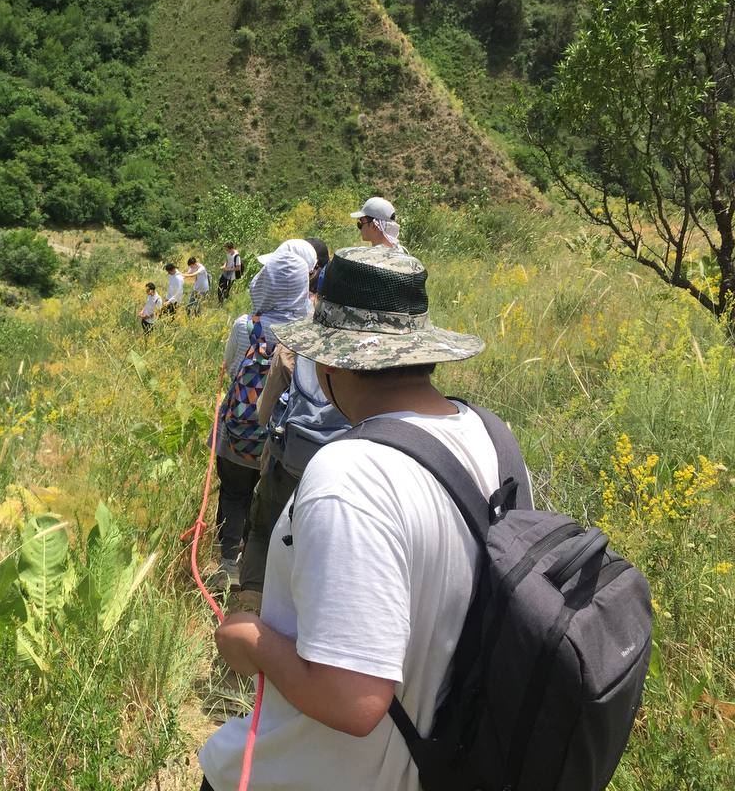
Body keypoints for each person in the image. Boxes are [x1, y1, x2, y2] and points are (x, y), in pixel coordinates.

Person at [199, 246, 524, 791]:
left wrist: (250, 640)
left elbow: (352, 699)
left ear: (329, 363)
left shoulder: (349, 474)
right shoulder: (494, 438)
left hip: (317, 772)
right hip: (441, 762)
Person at [236, 240, 350, 601]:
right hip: (346, 476)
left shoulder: (295, 343)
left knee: (262, 530)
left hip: (290, 461)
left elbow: (264, 413)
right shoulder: (383, 358)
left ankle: (249, 606)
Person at [212, 250, 312, 590]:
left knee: (234, 494)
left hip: (238, 434)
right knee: (270, 504)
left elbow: (228, 366)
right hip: (281, 439)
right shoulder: (309, 331)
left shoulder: (246, 326)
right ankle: (264, 577)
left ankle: (228, 565)